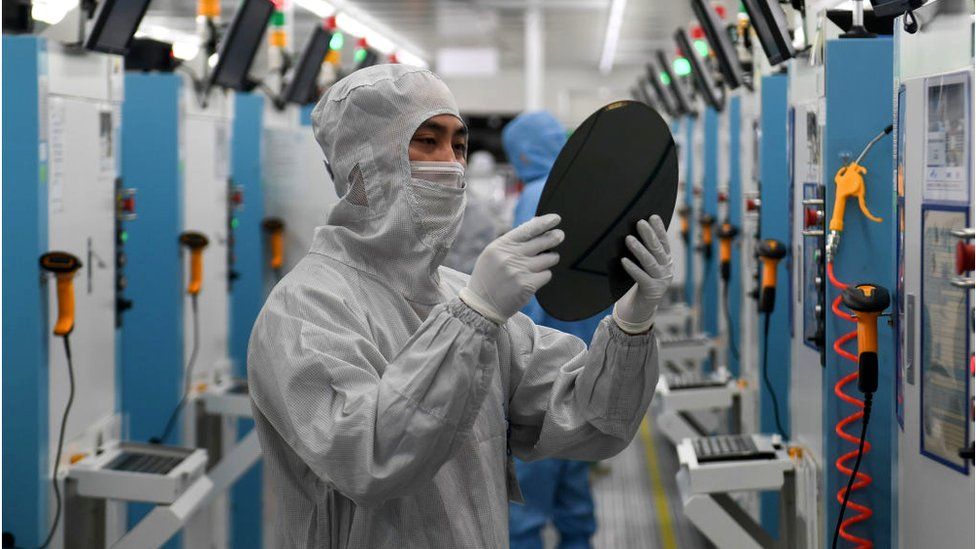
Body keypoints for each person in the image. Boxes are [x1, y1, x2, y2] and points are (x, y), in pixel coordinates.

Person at [247, 64, 674, 548]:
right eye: (426, 141)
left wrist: (631, 323)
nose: (450, 162)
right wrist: (474, 316)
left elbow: (592, 420)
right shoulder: (303, 310)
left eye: (459, 144)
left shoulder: (454, 292)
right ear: (358, 164)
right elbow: (369, 458)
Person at [502, 111, 609, 549]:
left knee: (529, 494)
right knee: (572, 485)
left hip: (543, 370)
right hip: (585, 358)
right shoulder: (582, 193)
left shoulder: (532, 200)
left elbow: (528, 296)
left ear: (522, 153)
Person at [442, 150, 508, 273]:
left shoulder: (495, 184)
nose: (481, 167)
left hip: (485, 242)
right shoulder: (463, 186)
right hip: (463, 246)